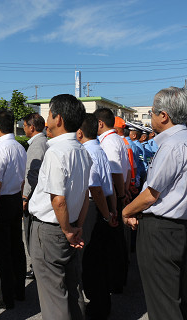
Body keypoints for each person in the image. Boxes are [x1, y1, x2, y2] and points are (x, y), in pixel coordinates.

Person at [122, 87, 187, 320]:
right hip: (179, 228)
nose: (150, 118)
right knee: (178, 298)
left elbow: (151, 194)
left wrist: (127, 210)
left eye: (151, 112)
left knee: (163, 303)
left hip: (162, 230)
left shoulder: (172, 144)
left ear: (164, 115)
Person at [29, 94, 92, 320]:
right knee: (72, 288)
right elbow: (84, 195)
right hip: (70, 225)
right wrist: (76, 226)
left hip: (51, 229)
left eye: (49, 114)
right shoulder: (83, 151)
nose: (47, 119)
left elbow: (59, 199)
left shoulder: (56, 152)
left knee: (53, 295)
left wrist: (67, 230)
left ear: (59, 119)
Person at [77, 114, 118, 319]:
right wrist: (112, 210)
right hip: (104, 207)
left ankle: (96, 309)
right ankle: (102, 305)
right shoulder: (99, 148)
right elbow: (107, 185)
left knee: (90, 263)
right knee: (99, 261)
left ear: (80, 131)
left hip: (94, 208)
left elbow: (95, 188)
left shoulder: (86, 151)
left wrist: (105, 215)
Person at [0, 109, 27, 310]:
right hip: (15, 200)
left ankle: (4, 296)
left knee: (0, 251)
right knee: (16, 247)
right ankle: (19, 290)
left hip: (1, 203)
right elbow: (22, 180)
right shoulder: (20, 148)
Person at [93, 108, 130, 291]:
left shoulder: (108, 143)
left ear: (100, 123)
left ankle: (115, 281)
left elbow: (115, 172)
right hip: (118, 191)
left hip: (113, 195)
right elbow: (128, 169)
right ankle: (117, 278)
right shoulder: (118, 140)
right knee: (116, 241)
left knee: (111, 243)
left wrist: (121, 195)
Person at [21, 112, 48, 280]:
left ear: (31, 127)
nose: (23, 129)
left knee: (31, 235)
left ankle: (36, 267)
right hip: (39, 197)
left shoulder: (37, 145)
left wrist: (25, 197)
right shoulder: (45, 142)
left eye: (24, 126)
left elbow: (32, 175)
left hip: (33, 198)